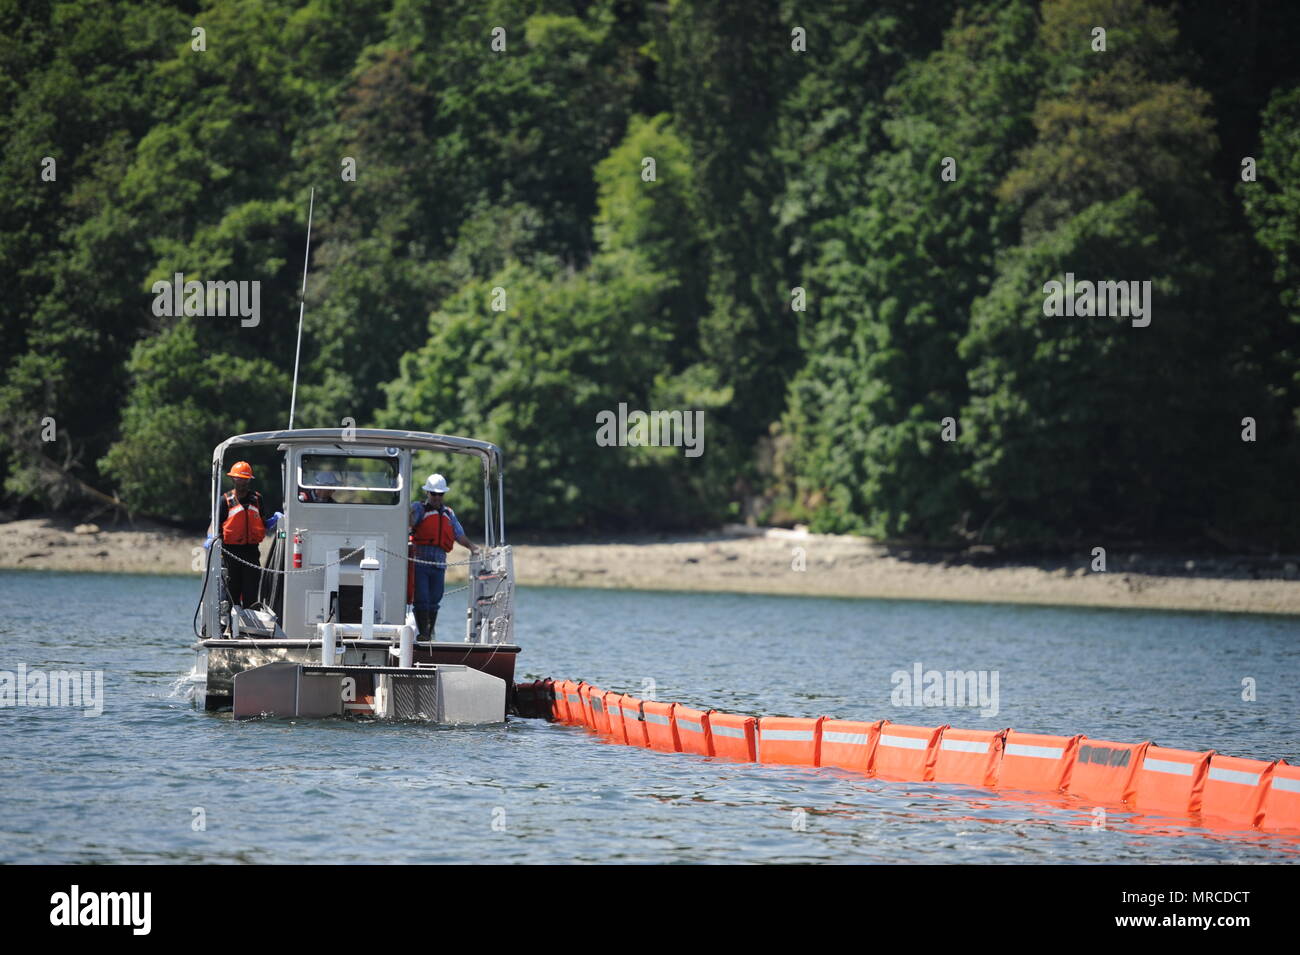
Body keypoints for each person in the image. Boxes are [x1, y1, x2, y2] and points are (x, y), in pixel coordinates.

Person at [409, 473, 479, 640]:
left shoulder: (449, 513)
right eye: (433, 493)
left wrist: (472, 547)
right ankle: (424, 634)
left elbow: (459, 534)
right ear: (427, 493)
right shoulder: (418, 509)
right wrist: (409, 514)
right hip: (420, 563)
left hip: (439, 564)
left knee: (435, 600)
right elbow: (409, 522)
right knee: (422, 599)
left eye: (440, 494)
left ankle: (429, 632)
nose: (437, 497)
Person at [212, 461, 280, 619]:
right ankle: (230, 623)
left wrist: (272, 522)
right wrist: (212, 539)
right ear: (233, 479)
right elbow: (216, 526)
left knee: (251, 592)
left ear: (249, 480)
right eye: (238, 478)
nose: (241, 481)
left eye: (244, 479)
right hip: (231, 553)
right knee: (232, 591)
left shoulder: (257, 499)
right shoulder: (225, 500)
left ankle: (250, 625)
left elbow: (262, 522)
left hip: (251, 552)